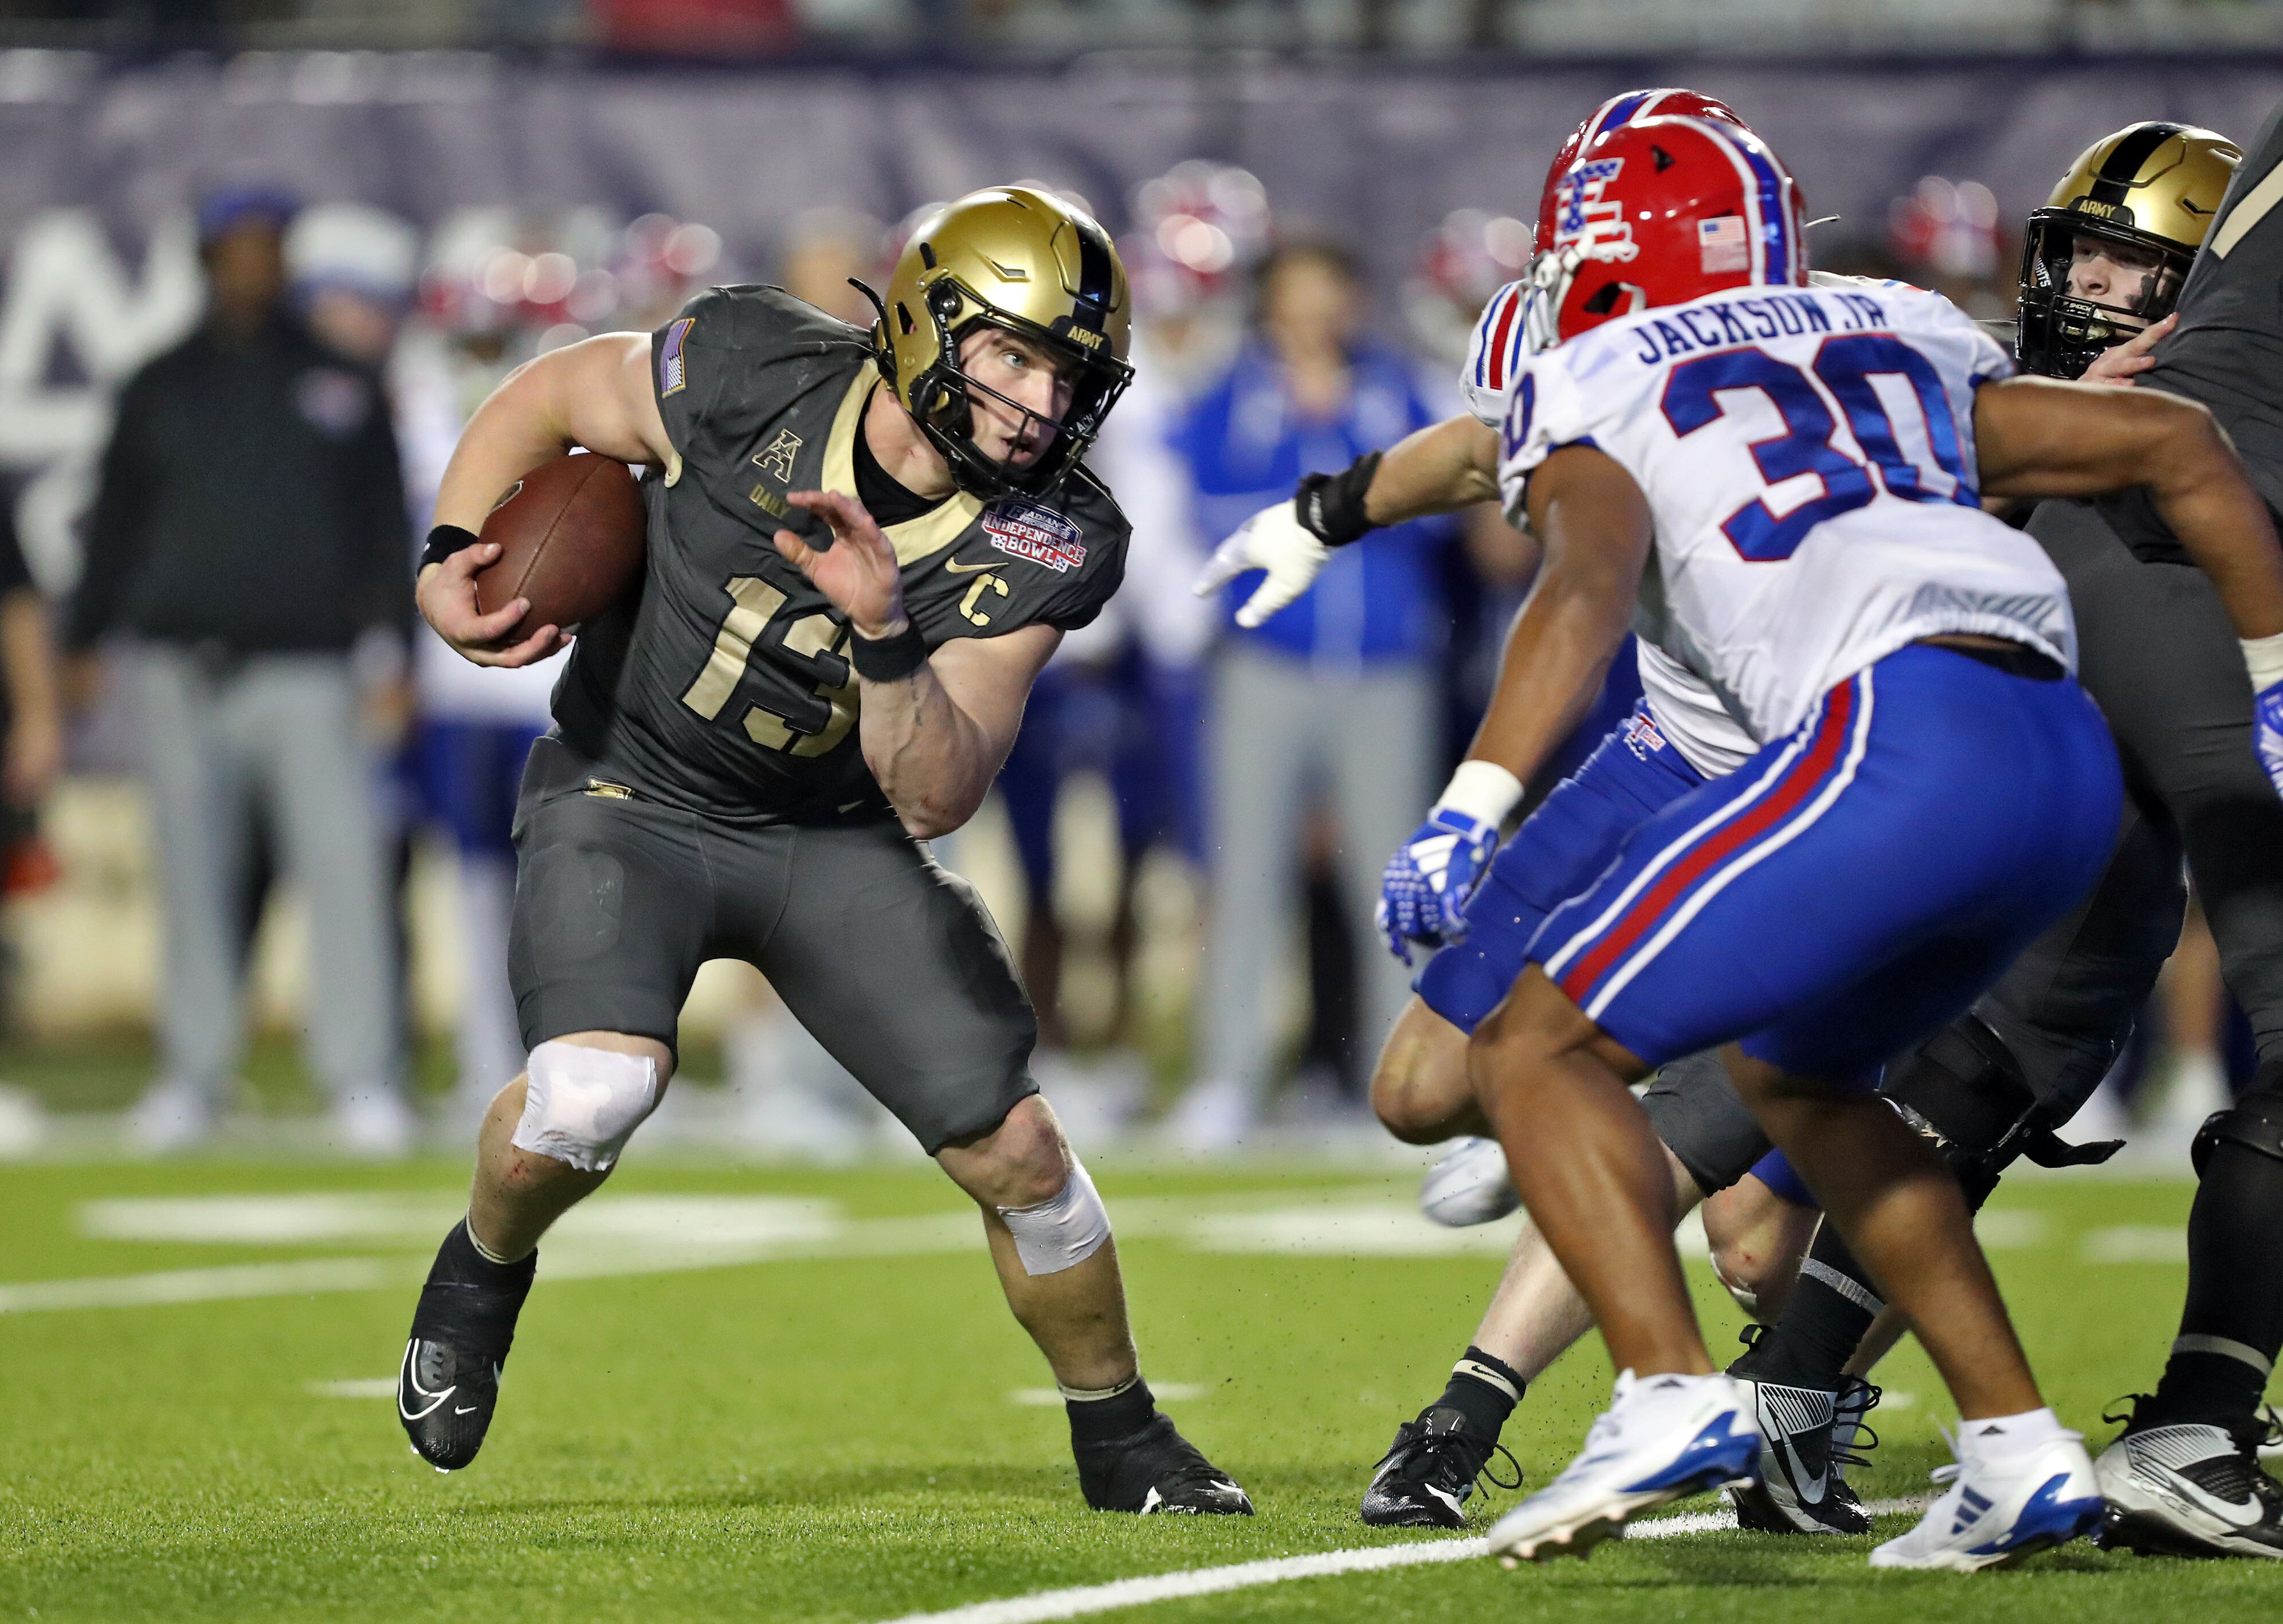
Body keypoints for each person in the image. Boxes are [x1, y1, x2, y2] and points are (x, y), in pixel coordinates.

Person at [393, 186, 1250, 1516]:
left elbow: (940, 790)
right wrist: (453, 543)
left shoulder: (1050, 534)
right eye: (1012, 354)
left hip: (830, 834)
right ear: (920, 323)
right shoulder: (753, 363)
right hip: (634, 787)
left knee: (1023, 1153)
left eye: (1065, 374)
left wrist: (885, 633)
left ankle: (1122, 1434)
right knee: (585, 1102)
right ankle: (480, 1272)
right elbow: (557, 391)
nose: (1037, 400)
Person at [1726, 114, 2283, 1560]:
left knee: (2029, 1028)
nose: (2095, 280)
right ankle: (2202, 1421)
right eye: (2082, 251)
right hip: (2211, 582)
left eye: (2131, 259)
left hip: (2077, 597)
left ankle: (1789, 1381)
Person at [67, 186, 418, 1157]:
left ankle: (361, 1078)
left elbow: (385, 530)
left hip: (313, 668)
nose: (258, 264)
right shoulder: (159, 382)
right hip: (182, 665)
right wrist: (83, 640)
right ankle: (194, 1073)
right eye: (241, 247)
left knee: (343, 873)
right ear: (209, 258)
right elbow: (116, 522)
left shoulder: (340, 379)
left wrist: (395, 646)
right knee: (194, 879)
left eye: (272, 246)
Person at [1167, 240, 1461, 1146]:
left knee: (1395, 879)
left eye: (1330, 295)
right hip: (1268, 661)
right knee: (1248, 872)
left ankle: (1402, 1081)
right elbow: (1204, 501)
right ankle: (1230, 1075)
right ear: (1270, 308)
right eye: (1298, 297)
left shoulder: (1398, 387)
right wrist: (1324, 494)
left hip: (1387, 665)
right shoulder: (1234, 393)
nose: (1315, 315)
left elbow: (1450, 499)